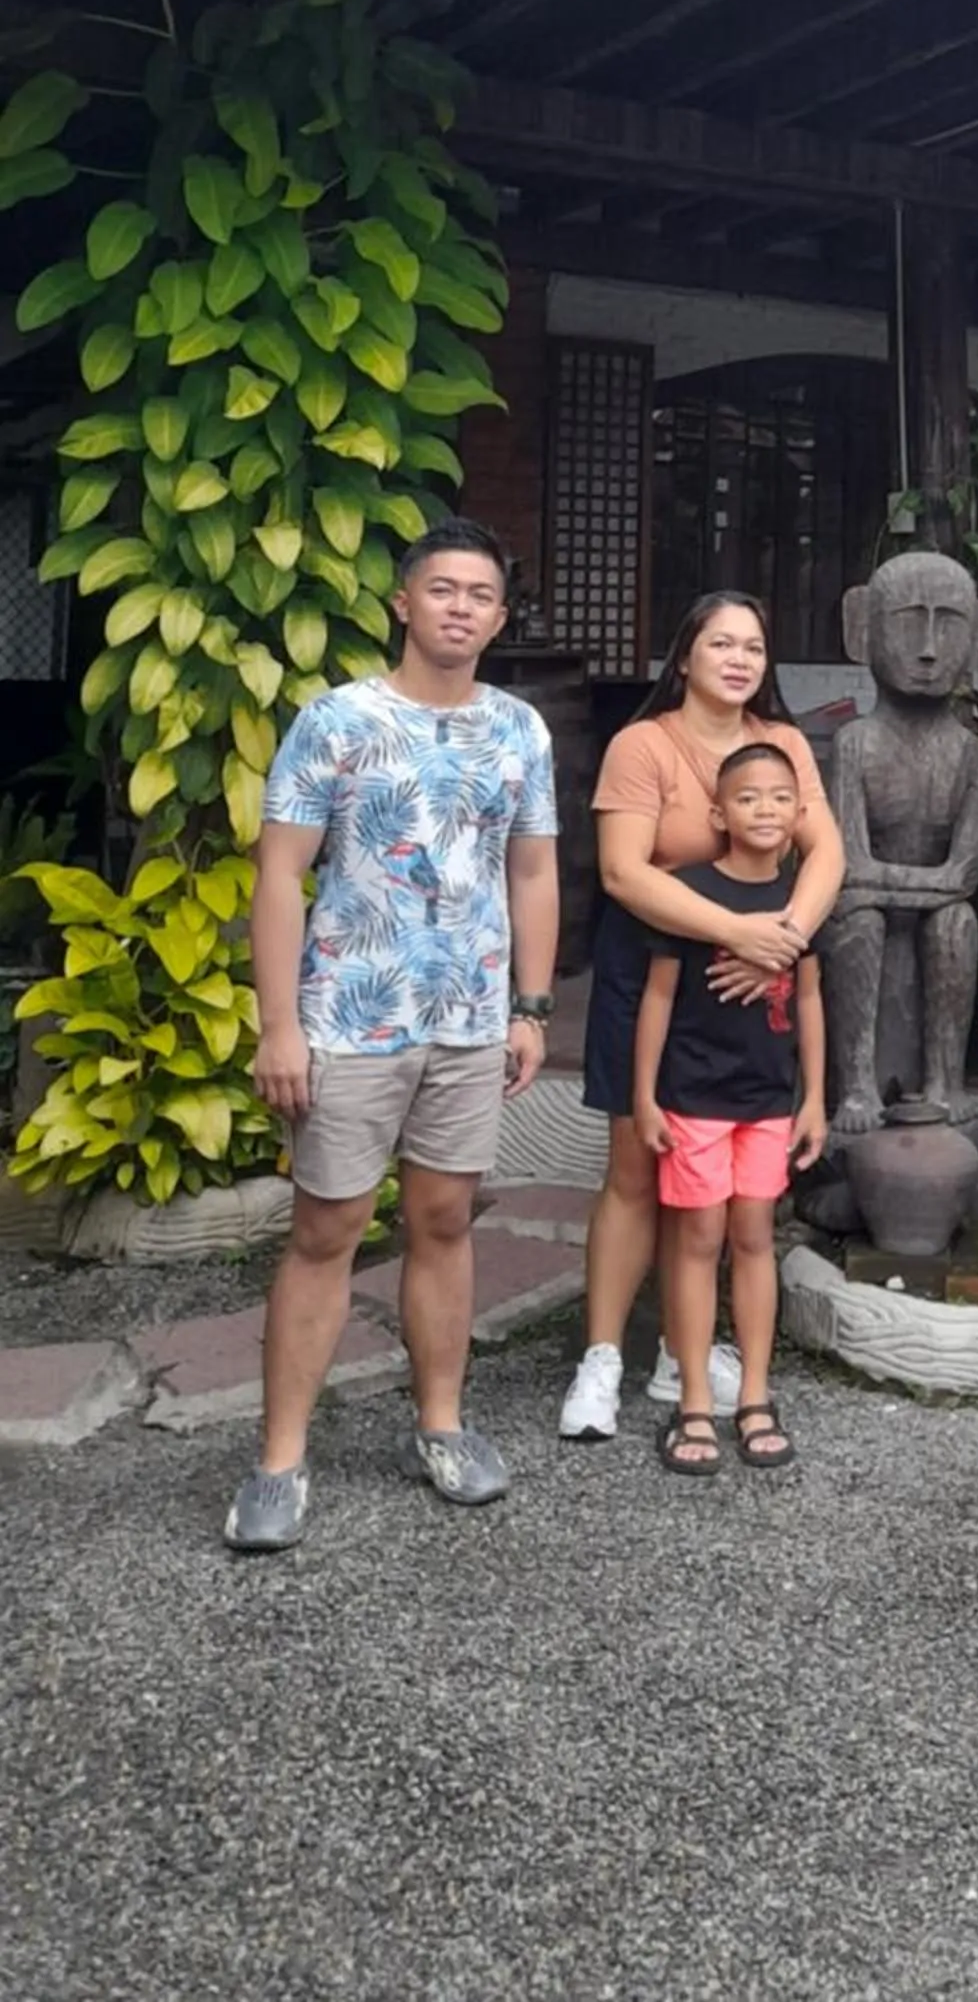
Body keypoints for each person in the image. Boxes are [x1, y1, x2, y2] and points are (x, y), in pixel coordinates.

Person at [229, 518, 559, 1553]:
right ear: (403, 603)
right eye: (443, 589)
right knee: (325, 1230)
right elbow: (280, 874)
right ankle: (279, 1459)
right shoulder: (337, 720)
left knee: (445, 1220)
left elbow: (533, 872)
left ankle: (443, 1425)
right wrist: (279, 1026)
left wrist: (532, 1008)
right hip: (348, 1017)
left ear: (499, 618)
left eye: (481, 595)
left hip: (469, 1020)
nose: (461, 607)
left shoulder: (520, 730)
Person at [557, 593, 844, 1442]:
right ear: (684, 657)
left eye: (754, 645)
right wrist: (737, 933)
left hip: (756, 983)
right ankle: (602, 1357)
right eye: (721, 643)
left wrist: (782, 943)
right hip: (653, 972)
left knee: (728, 1191)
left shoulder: (783, 742)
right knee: (637, 1168)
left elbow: (826, 849)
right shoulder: (643, 745)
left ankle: (679, 1355)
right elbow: (623, 872)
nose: (739, 658)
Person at [633, 742, 827, 1473]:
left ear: (799, 812)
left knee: (753, 1236)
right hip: (694, 1096)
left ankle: (753, 1394)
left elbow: (810, 1000)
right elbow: (657, 999)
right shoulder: (688, 893)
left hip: (769, 1099)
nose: (765, 810)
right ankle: (692, 1398)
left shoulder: (802, 901)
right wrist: (645, 1096)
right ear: (718, 814)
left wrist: (815, 1098)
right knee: (697, 1238)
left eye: (780, 797)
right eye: (747, 798)